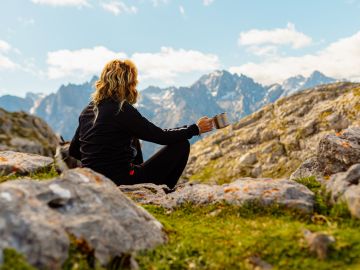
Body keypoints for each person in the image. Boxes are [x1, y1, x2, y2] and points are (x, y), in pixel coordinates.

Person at [69, 59, 214, 189]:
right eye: (133, 83)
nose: (134, 88)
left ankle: (143, 179)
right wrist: (196, 129)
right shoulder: (121, 109)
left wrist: (98, 165)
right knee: (181, 145)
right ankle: (162, 191)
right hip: (122, 181)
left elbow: (74, 150)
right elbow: (160, 136)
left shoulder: (87, 111)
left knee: (133, 137)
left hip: (93, 180)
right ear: (126, 85)